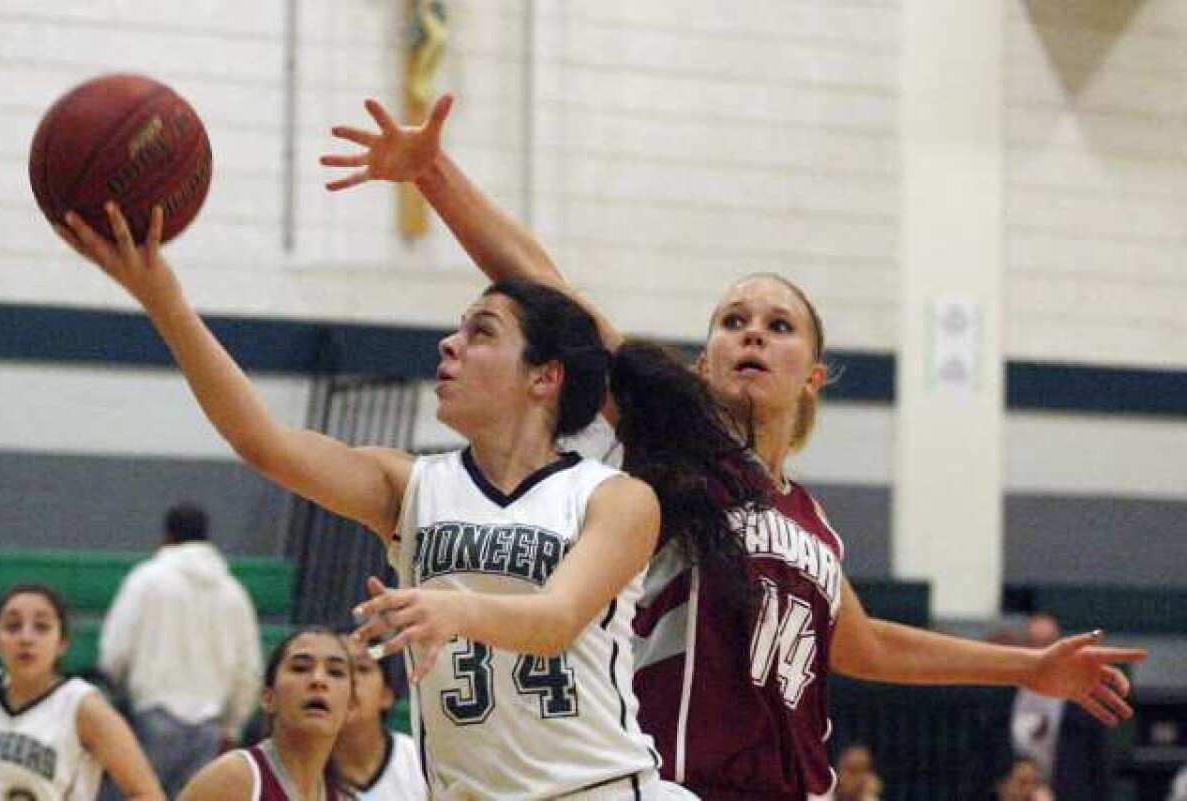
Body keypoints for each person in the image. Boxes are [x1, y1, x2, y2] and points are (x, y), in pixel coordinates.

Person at [320, 93, 1148, 800]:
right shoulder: (674, 445)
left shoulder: (812, 523)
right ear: (703, 358)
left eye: (777, 325)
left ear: (813, 374)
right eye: (731, 321)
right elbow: (549, 291)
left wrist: (1025, 668)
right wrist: (433, 175)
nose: (751, 332)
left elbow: (864, 644)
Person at [54, 203, 712, 799]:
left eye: (481, 332)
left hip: (598, 790)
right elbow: (263, 442)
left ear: (544, 376)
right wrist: (162, 297)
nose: (449, 344)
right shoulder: (411, 486)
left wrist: (450, 606)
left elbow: (556, 617)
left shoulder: (615, 497)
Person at [98, 502, 263, 798]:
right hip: (208, 730)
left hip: (149, 720)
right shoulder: (233, 593)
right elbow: (248, 670)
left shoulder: (146, 580)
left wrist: (115, 703)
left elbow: (115, 651)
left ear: (166, 536)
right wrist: (232, 728)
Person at [0, 583, 164, 800]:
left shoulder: (83, 708)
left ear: (62, 643)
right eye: (12, 626)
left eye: (41, 627)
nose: (26, 638)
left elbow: (148, 794)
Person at [177, 627, 354, 801]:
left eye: (335, 672)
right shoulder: (235, 778)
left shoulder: (342, 797)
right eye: (300, 668)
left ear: (350, 708)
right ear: (268, 698)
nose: (318, 680)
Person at [1010, 613, 1108, 801]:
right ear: (1023, 646)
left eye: (1047, 643)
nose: (1041, 651)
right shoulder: (1002, 694)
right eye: (1033, 643)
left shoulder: (1083, 699)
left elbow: (1098, 765)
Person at [332, 642, 425, 800]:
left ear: (387, 695)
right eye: (335, 671)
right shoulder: (299, 765)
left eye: (362, 668)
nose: (349, 680)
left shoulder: (417, 760)